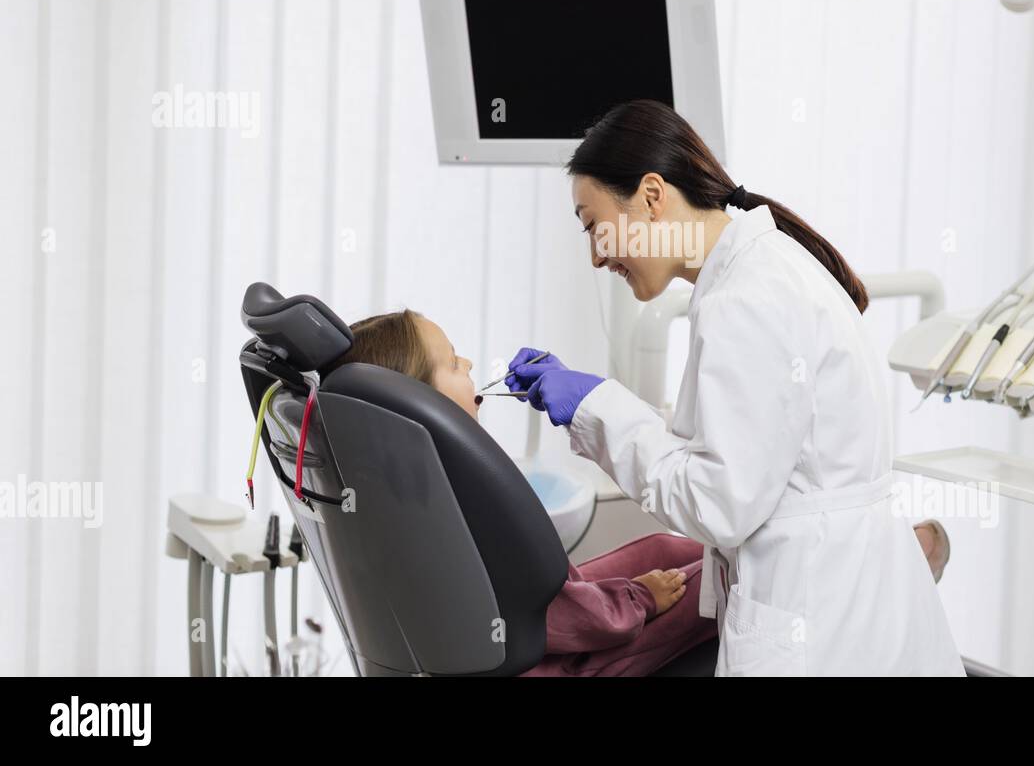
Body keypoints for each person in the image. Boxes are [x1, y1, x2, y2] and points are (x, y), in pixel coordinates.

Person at [508, 99, 965, 675]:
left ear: (652, 195)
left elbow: (716, 504)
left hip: (819, 621)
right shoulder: (754, 271)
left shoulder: (745, 296)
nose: (596, 257)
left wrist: (596, 408)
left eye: (593, 226)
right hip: (841, 601)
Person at [323, 307, 952, 676]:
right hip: (573, 659)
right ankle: (890, 563)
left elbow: (545, 594)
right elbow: (553, 616)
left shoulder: (410, 495)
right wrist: (637, 602)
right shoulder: (465, 505)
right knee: (736, 584)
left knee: (664, 544)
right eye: (454, 364)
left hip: (549, 631)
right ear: (420, 401)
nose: (469, 369)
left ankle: (885, 555)